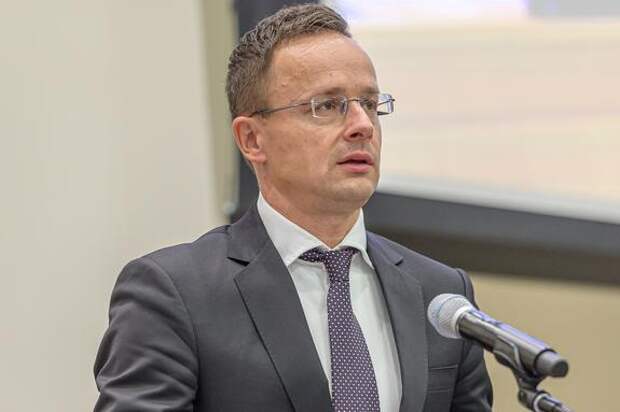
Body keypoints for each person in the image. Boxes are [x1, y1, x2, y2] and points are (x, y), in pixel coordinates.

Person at [94, 4, 493, 411]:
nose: (363, 125)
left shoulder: (440, 294)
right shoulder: (175, 293)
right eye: (327, 105)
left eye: (370, 104)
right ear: (252, 139)